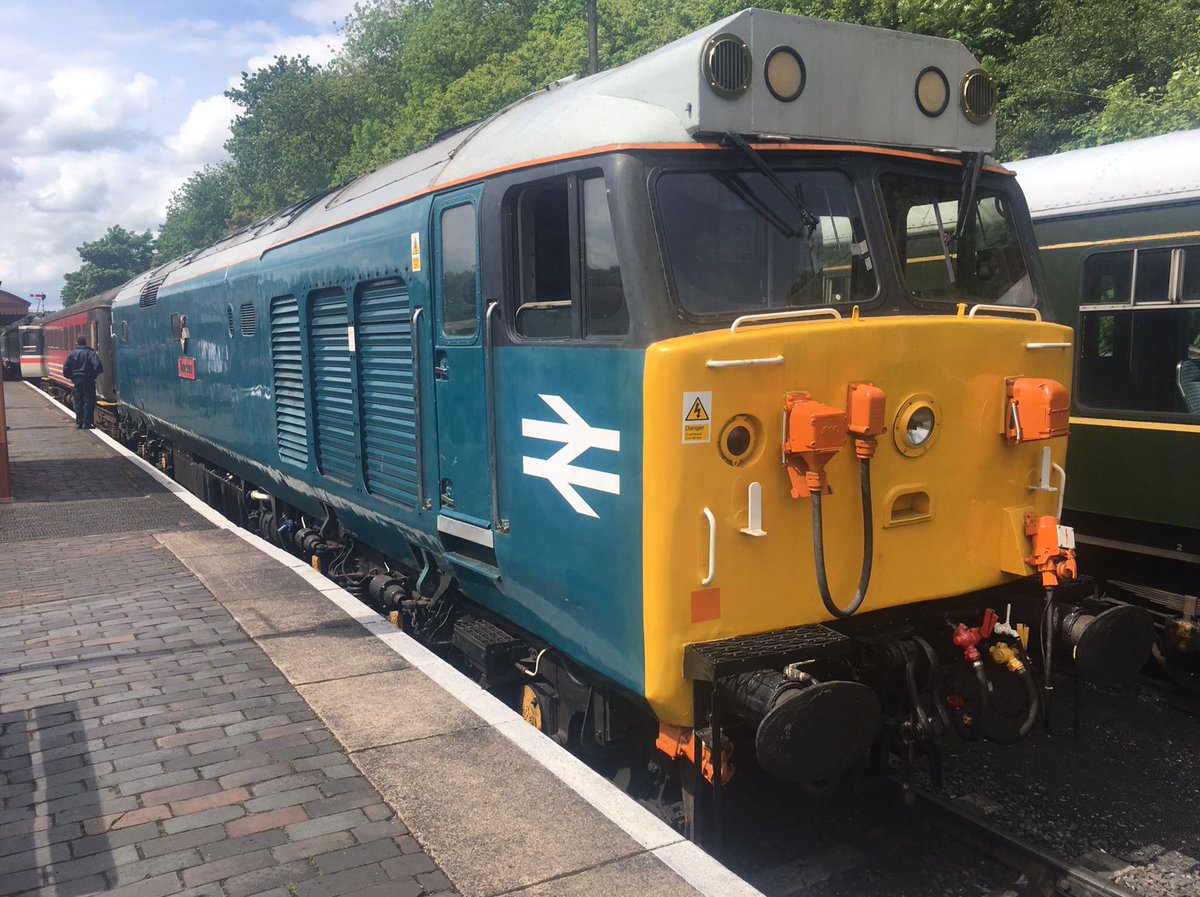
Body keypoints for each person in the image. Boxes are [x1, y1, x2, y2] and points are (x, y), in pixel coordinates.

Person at [62, 335, 103, 429]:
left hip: (76, 380)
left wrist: (70, 376)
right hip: (88, 380)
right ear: (85, 343)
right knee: (89, 400)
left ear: (77, 343)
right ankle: (87, 423)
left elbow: (66, 366)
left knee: (78, 401)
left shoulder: (72, 354)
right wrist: (92, 376)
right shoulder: (90, 353)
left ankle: (79, 422)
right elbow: (98, 366)